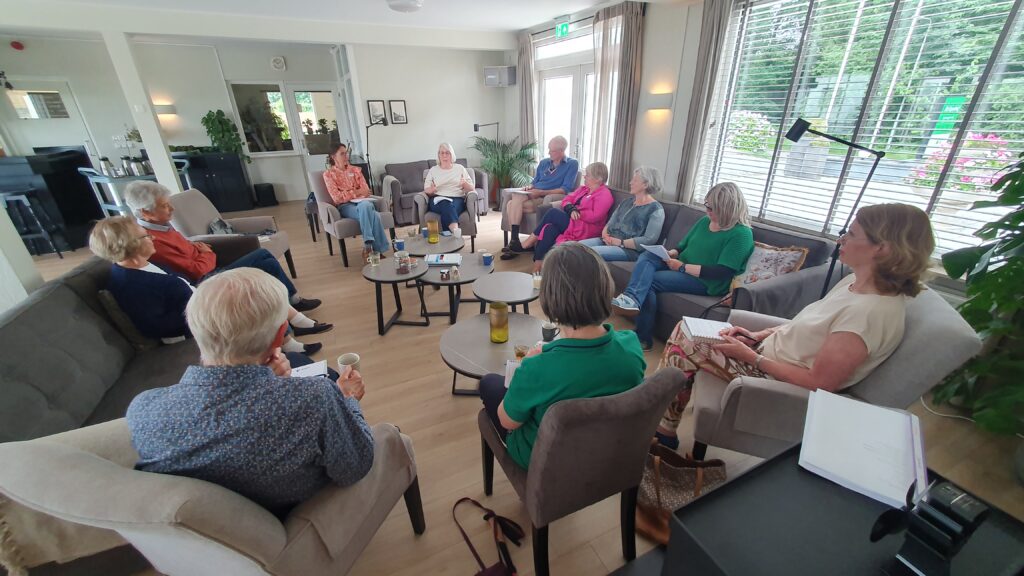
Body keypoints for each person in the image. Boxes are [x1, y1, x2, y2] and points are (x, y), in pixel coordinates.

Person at [654, 203, 936, 449]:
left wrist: (752, 356)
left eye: (850, 234)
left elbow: (820, 383)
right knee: (689, 329)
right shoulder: (854, 282)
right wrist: (756, 334)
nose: (840, 240)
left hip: (774, 377)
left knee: (684, 341)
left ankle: (660, 428)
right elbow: (808, 325)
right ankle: (661, 419)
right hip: (766, 352)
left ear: (882, 249)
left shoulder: (870, 314)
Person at [127, 268, 373, 518]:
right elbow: (355, 467)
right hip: (296, 519)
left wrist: (270, 381)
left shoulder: (143, 409)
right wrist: (348, 400)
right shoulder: (314, 398)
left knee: (298, 360)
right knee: (323, 376)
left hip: (221, 529)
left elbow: (220, 414)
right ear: (280, 335)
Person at [479, 243, 646, 469]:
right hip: (608, 451)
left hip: (546, 461)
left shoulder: (537, 367)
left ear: (550, 298)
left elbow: (507, 421)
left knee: (490, 383)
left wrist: (526, 367)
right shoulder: (631, 346)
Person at [88, 216, 331, 355]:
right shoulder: (130, 284)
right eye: (145, 236)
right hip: (197, 321)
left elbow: (183, 283)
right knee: (257, 297)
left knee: (256, 281)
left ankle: (294, 327)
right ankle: (292, 337)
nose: (152, 238)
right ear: (130, 245)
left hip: (199, 299)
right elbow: (157, 326)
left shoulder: (145, 264)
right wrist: (206, 310)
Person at [123, 181, 321, 312]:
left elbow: (191, 251)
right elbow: (195, 271)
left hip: (210, 269)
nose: (171, 208)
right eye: (165, 205)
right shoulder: (151, 241)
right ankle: (291, 309)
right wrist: (207, 254)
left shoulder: (163, 227)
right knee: (262, 262)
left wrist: (199, 251)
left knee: (263, 256)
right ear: (145, 212)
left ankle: (293, 301)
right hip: (206, 280)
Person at [611, 182, 755, 351]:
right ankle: (632, 299)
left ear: (727, 208)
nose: (706, 209)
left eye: (712, 207)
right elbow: (683, 246)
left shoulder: (742, 234)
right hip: (680, 264)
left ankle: (643, 337)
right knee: (648, 256)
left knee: (650, 281)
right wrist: (671, 253)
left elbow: (722, 271)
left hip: (705, 281)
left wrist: (682, 267)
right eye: (706, 204)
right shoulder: (704, 221)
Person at [501, 161, 614, 273]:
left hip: (587, 228)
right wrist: (570, 208)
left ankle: (528, 243)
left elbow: (595, 216)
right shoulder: (583, 189)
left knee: (553, 213)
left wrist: (577, 212)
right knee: (550, 229)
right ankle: (537, 268)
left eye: (588, 175)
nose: (584, 176)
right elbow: (567, 199)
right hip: (573, 222)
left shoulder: (604, 194)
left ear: (598, 179)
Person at [503, 136, 579, 252]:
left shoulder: (571, 164)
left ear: (562, 151)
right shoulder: (544, 163)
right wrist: (530, 187)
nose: (549, 153)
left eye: (552, 150)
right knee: (515, 197)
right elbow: (535, 182)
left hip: (545, 197)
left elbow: (565, 189)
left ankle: (514, 242)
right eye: (549, 149)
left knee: (511, 205)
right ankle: (515, 242)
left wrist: (541, 192)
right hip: (533, 193)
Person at [578, 166, 666, 262]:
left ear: (645, 184)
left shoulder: (656, 209)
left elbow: (649, 240)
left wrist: (621, 242)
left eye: (635, 180)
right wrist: (605, 236)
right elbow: (610, 222)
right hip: (608, 240)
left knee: (590, 253)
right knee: (575, 247)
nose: (630, 182)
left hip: (629, 250)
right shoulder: (626, 202)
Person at [323, 143, 392, 261]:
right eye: (342, 154)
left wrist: (352, 192)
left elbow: (366, 191)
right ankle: (375, 250)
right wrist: (357, 191)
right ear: (334, 157)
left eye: (347, 153)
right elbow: (337, 198)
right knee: (373, 214)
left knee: (366, 206)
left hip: (363, 203)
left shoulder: (355, 170)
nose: (346, 156)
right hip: (345, 206)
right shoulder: (329, 175)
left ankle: (368, 248)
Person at [423, 142, 474, 234]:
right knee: (446, 204)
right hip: (437, 199)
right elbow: (426, 189)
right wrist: (431, 190)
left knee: (449, 207)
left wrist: (465, 184)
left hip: (457, 199)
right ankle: (456, 233)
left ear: (452, 155)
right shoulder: (433, 170)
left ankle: (449, 237)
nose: (444, 155)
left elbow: (471, 188)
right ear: (438, 155)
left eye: (447, 153)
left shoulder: (460, 168)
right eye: (441, 153)